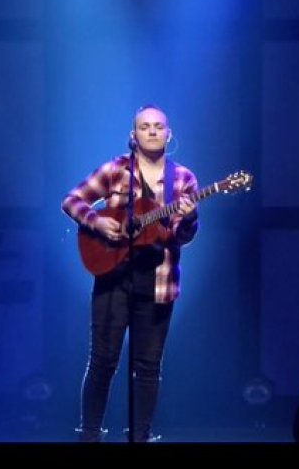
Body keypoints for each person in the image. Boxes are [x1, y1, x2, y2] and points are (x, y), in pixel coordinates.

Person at [61, 104, 199, 442]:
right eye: (144, 126)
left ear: (169, 134)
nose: (152, 131)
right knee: (103, 360)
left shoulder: (183, 179)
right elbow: (72, 201)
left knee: (148, 366)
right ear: (132, 136)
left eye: (158, 126)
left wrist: (190, 217)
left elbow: (182, 236)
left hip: (158, 281)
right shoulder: (114, 170)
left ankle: (140, 435)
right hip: (112, 277)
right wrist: (95, 220)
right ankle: (90, 434)